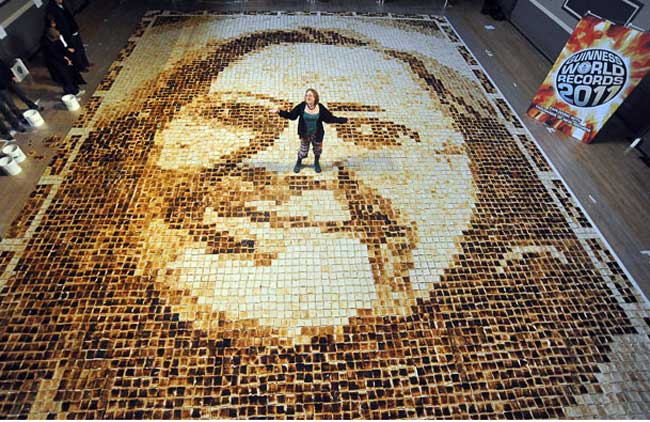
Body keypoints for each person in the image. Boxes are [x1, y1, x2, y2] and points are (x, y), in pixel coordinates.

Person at [270, 88, 347, 173]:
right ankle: (299, 162)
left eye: (310, 95)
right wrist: (279, 112)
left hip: (317, 135)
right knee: (303, 151)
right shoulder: (302, 106)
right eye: (306, 95)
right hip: (305, 134)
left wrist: (341, 120)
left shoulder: (320, 108)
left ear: (315, 97)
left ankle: (316, 162)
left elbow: (329, 118)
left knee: (317, 150)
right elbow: (292, 116)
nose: (308, 97)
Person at [46, 0, 92, 71]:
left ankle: (86, 62)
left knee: (80, 47)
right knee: (75, 50)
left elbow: (69, 16)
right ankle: (81, 67)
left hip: (73, 29)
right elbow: (56, 23)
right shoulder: (51, 9)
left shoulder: (63, 4)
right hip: (67, 34)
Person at [42, 27, 86, 96]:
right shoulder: (49, 46)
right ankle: (73, 93)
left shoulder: (55, 41)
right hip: (58, 64)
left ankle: (76, 90)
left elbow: (61, 48)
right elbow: (56, 56)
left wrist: (67, 52)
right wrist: (66, 60)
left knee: (70, 76)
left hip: (62, 60)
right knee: (66, 79)